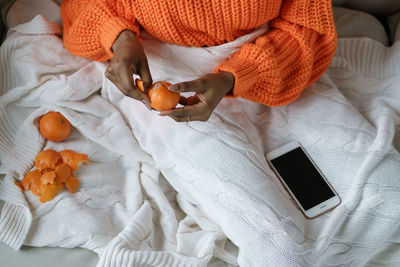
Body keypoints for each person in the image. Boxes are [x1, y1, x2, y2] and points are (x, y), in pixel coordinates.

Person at [61, 0, 336, 122]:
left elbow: (306, 26)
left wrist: (237, 76)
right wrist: (120, 37)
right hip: (158, 63)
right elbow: (81, 8)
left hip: (270, 67)